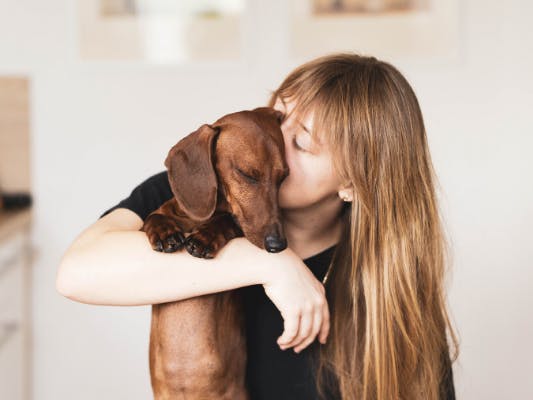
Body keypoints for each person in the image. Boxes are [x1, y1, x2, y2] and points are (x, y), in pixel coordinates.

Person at [56, 52, 459, 400]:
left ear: (354, 182)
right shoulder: (201, 187)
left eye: (302, 143)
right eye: (279, 115)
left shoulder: (389, 292)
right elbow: (76, 273)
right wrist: (270, 264)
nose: (275, 141)